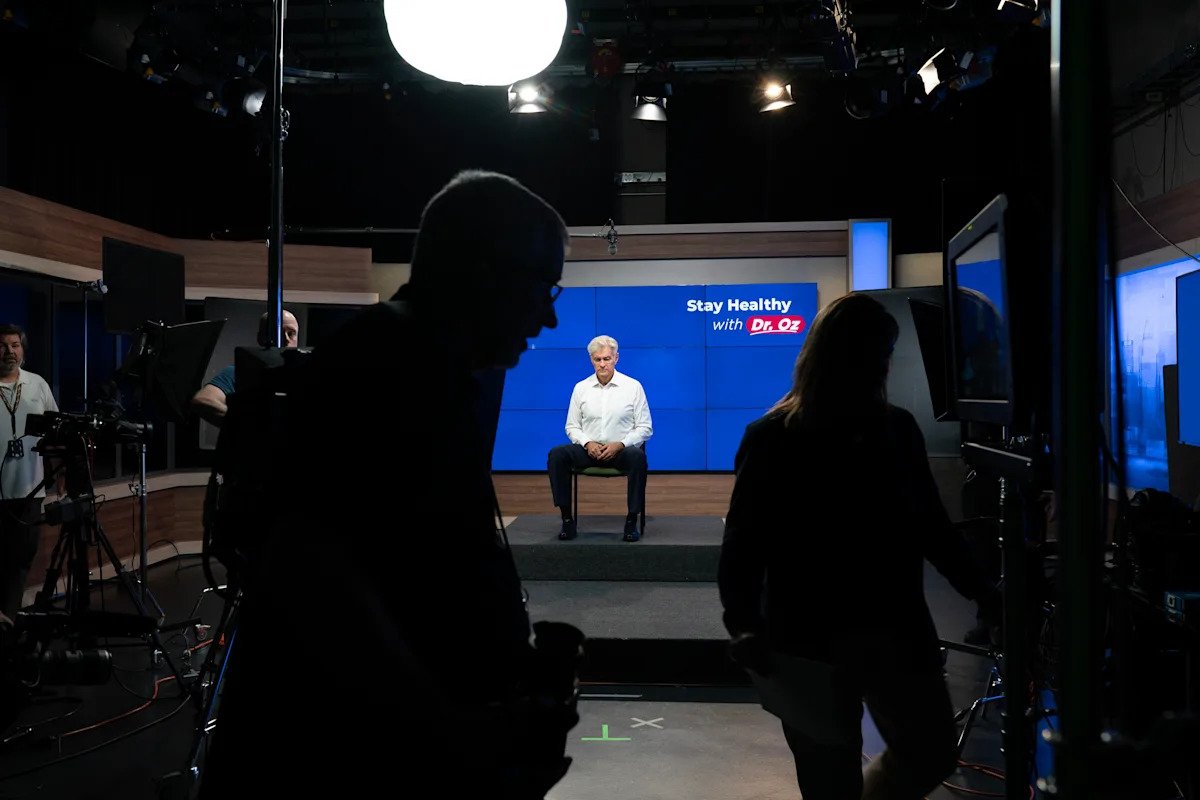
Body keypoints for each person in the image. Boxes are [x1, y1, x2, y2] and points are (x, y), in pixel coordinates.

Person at [199, 170, 581, 800]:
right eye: (544, 287)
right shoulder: (388, 366)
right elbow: (320, 582)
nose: (549, 316)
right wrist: (459, 735)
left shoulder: (426, 366)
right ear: (485, 271)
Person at [717, 293, 1000, 800]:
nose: (881, 364)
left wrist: (983, 592)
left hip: (868, 631)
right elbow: (743, 547)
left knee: (919, 754)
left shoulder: (891, 430)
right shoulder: (775, 437)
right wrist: (743, 624)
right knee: (841, 778)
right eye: (875, 351)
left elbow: (932, 529)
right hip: (819, 640)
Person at [547, 335, 653, 542]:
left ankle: (631, 520)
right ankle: (567, 519)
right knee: (557, 455)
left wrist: (620, 444)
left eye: (607, 359)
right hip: (588, 451)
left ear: (616, 358)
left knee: (638, 457)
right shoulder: (581, 388)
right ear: (591, 360)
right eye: (598, 359)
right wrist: (587, 443)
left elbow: (645, 428)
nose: (602, 364)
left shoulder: (633, 387)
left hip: (621, 451)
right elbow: (572, 426)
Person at [0, 324, 59, 633]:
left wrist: (59, 480)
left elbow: (55, 433)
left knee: (20, 561)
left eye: (15, 345)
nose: (9, 351)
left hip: (30, 491)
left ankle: (7, 622)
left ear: (22, 349)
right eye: (2, 346)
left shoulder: (37, 384)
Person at [189, 309, 299, 427]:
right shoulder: (240, 371)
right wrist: (246, 426)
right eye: (277, 333)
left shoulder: (306, 374)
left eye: (291, 333)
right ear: (261, 337)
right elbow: (203, 400)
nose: (286, 340)